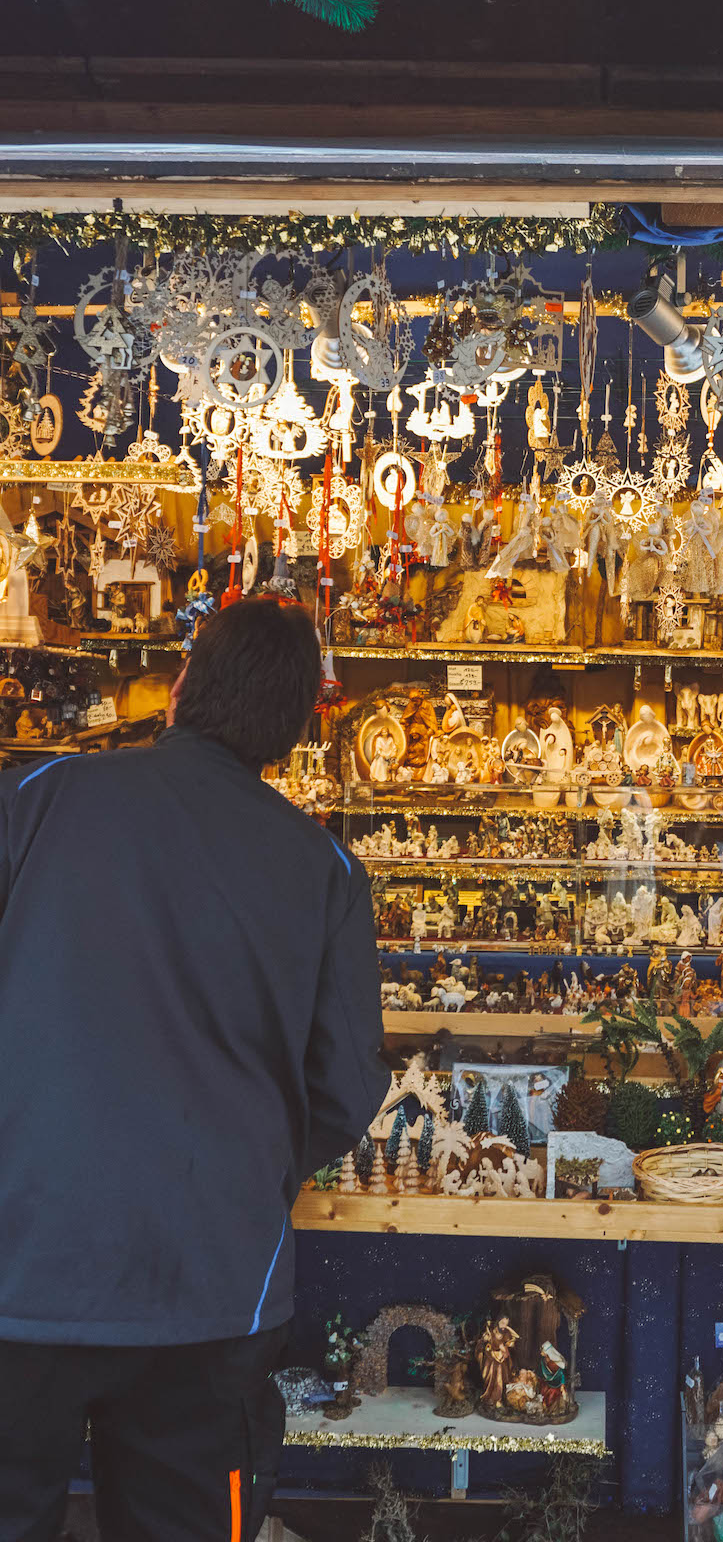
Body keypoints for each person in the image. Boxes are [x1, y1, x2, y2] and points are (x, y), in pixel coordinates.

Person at [0, 599, 390, 1542]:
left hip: (23, 1262)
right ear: (300, 730)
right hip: (211, 1286)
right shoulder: (323, 867)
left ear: (178, 688)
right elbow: (347, 1086)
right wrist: (249, 1161)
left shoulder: (38, 797)